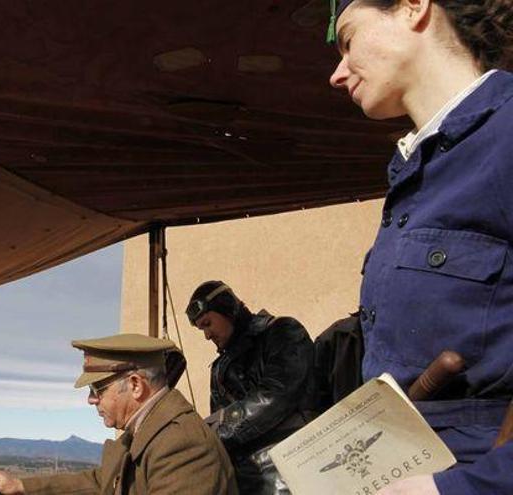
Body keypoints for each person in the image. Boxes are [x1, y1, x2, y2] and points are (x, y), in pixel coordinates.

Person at [327, 1, 513, 493]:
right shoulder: (417, 171)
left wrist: (459, 489)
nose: (337, 73)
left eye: (347, 40)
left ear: (413, 8)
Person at [0, 333, 237, 495]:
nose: (91, 399)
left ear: (135, 385)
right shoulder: (144, 433)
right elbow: (102, 480)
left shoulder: (181, 444)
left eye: (97, 389)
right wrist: (20, 486)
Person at [187, 280, 313, 495]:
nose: (207, 335)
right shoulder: (219, 370)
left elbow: (276, 395)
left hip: (294, 468)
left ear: (227, 309)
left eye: (208, 323)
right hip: (247, 481)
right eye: (201, 329)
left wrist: (218, 431)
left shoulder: (282, 332)